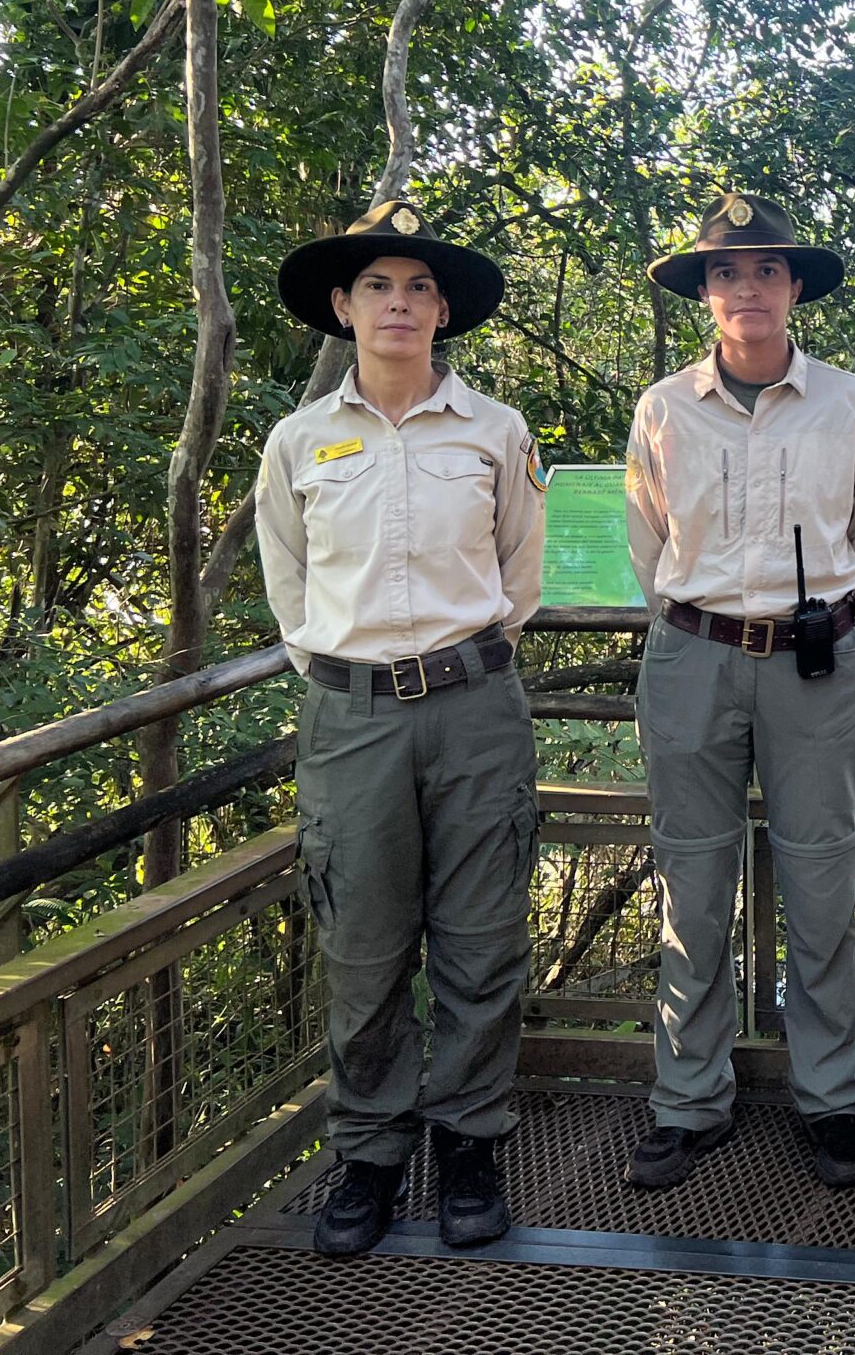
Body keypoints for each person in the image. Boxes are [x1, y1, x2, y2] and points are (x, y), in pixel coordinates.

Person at [255, 199, 548, 1258]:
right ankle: (370, 1153)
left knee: (480, 940)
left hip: (475, 710)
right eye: (378, 285)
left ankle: (469, 1141)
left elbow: (518, 573)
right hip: (353, 719)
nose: (400, 304)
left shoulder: (495, 431)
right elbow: (289, 584)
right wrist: (349, 672)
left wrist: (456, 665)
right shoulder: (299, 441)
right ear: (343, 306)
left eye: (420, 287)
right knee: (363, 947)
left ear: (443, 312)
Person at [621, 191, 855, 1192]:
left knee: (822, 879)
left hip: (815, 662)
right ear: (705, 291)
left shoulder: (850, 404)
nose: (747, 288)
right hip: (692, 657)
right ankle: (688, 1100)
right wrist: (706, 620)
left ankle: (832, 1098)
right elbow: (649, 540)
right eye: (727, 272)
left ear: (793, 288)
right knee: (693, 885)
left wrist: (820, 618)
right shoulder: (663, 409)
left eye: (766, 270)